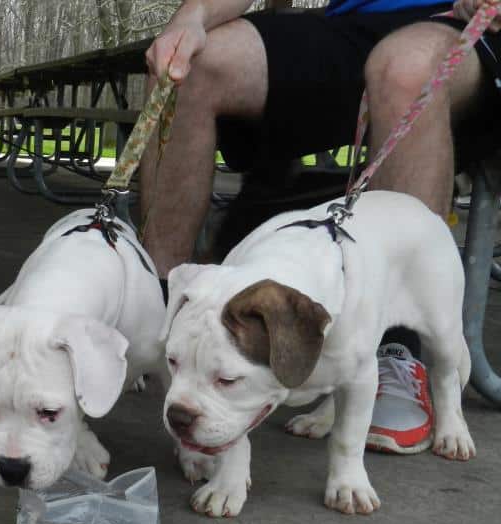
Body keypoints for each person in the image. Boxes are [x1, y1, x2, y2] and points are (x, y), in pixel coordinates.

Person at [140, 0, 501, 454]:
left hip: (465, 26)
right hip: (348, 27)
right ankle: (166, 312)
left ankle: (394, 346)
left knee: (405, 68)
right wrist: (189, 18)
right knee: (188, 63)